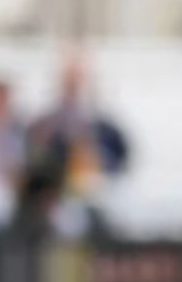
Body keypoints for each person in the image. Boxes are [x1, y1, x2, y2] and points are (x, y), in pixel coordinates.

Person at [20, 51, 130, 237]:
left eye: (78, 81)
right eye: (69, 82)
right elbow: (31, 164)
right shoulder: (44, 124)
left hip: (97, 198)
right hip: (54, 204)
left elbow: (120, 162)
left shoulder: (105, 127)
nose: (73, 88)